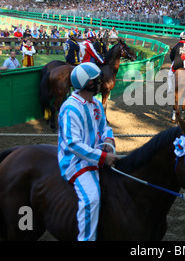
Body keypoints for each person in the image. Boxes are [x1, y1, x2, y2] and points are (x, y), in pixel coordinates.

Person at [57, 62, 118, 241]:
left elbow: (104, 126)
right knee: (91, 199)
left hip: (97, 155)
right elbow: (72, 144)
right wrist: (103, 158)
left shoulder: (96, 104)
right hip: (75, 163)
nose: (101, 83)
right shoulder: (70, 108)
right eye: (97, 80)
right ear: (88, 84)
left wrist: (108, 139)